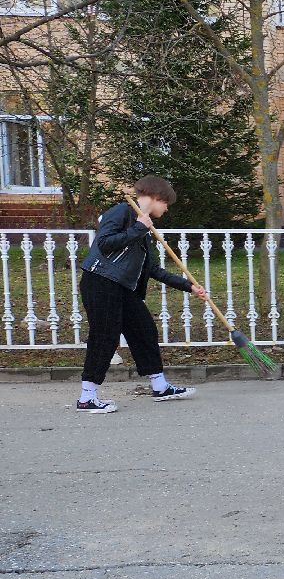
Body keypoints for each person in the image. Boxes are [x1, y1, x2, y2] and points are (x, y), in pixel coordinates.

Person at [76, 176, 206, 413]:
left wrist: (189, 286)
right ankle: (87, 397)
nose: (166, 209)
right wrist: (138, 228)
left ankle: (160, 386)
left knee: (144, 330)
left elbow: (154, 270)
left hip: (123, 287)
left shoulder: (145, 229)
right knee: (105, 336)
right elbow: (104, 244)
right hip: (101, 281)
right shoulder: (122, 213)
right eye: (166, 204)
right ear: (157, 198)